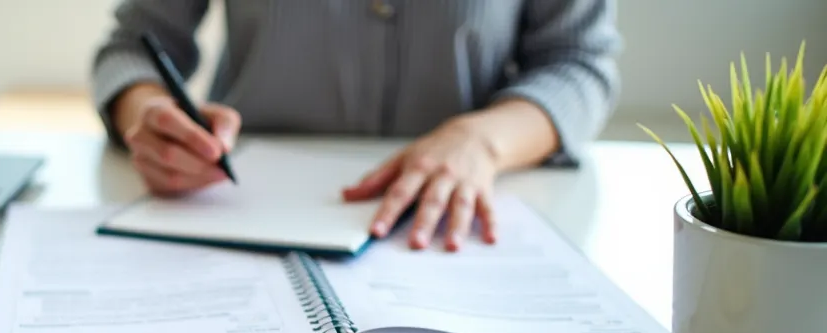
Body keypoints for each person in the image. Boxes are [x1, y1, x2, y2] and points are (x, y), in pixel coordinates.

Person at [90, 0, 622, 251]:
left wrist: (483, 141)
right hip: (235, 221)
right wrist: (147, 115)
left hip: (455, 235)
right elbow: (132, 47)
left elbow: (579, 62)